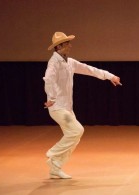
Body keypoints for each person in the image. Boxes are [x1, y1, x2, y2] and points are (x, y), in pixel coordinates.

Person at [43, 32, 122, 179]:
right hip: (57, 107)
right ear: (59, 46)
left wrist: (110, 76)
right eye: (66, 43)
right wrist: (51, 98)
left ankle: (55, 166)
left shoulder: (70, 62)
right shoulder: (53, 62)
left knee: (74, 135)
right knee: (77, 130)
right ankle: (53, 154)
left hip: (66, 107)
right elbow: (48, 79)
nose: (70, 45)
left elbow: (89, 69)